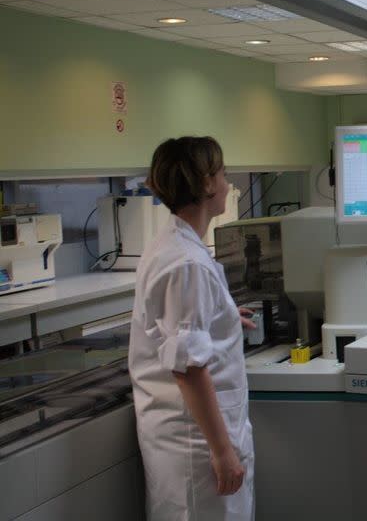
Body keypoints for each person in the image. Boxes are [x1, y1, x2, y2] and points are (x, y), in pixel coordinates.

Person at [129, 136, 255, 520]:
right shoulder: (187, 263)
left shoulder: (174, 244)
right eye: (222, 173)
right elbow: (188, 366)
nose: (228, 182)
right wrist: (222, 451)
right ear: (204, 183)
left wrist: (224, 317)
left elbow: (179, 328)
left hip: (187, 438)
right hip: (195, 446)